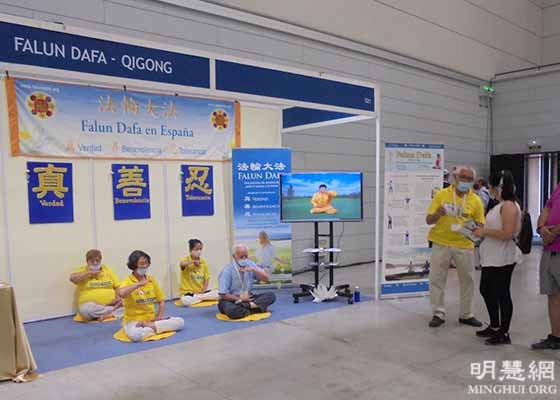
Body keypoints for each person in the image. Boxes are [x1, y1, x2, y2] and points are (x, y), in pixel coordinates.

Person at [425, 166, 485, 328]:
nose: (465, 181)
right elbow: (428, 220)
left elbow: (480, 224)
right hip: (441, 242)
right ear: (455, 178)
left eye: (469, 179)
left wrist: (473, 228)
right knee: (436, 279)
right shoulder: (441, 195)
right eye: (463, 177)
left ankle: (466, 314)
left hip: (464, 244)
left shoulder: (476, 200)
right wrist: (438, 214)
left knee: (468, 280)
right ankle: (438, 313)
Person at [472, 170, 522, 345]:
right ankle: (494, 325)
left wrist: (483, 232)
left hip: (502, 257)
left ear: (497, 187)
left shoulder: (509, 206)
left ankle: (504, 332)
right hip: (492, 256)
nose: (489, 189)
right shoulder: (500, 205)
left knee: (501, 293)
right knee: (486, 289)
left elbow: (507, 233)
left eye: (491, 186)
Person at [118, 250, 184, 342]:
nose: (145, 266)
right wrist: (138, 284)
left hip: (151, 319)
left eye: (147, 263)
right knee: (136, 335)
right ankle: (156, 328)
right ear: (134, 265)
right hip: (134, 321)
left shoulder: (151, 280)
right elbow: (121, 293)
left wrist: (159, 317)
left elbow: (161, 301)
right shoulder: (127, 281)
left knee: (180, 322)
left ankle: (149, 327)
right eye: (141, 263)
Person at [532, 183, 560, 350]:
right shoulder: (558, 187)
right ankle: (556, 337)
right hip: (550, 251)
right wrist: (542, 228)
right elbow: (547, 208)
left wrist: (553, 233)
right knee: (553, 294)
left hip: (555, 244)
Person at [218, 243, 276, 319]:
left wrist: (254, 269)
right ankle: (255, 308)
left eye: (246, 256)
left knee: (271, 296)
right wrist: (240, 299)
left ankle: (246, 308)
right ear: (234, 256)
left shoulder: (250, 264)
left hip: (248, 298)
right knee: (230, 310)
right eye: (241, 256)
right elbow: (223, 294)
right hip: (232, 299)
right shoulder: (227, 270)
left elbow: (266, 279)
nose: (244, 258)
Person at [69, 249, 122, 321]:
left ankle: (109, 313)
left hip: (111, 304)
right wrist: (88, 273)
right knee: (85, 310)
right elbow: (72, 278)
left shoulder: (107, 270)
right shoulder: (83, 270)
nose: (95, 263)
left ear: (100, 260)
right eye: (92, 261)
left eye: (97, 260)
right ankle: (114, 311)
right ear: (87, 261)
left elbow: (117, 286)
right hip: (91, 307)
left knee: (130, 303)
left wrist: (117, 298)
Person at [179, 239, 219, 306]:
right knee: (185, 300)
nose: (199, 251)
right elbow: (182, 264)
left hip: (200, 292)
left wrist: (203, 291)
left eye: (200, 249)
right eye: (197, 249)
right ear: (191, 250)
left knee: (219, 293)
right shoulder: (186, 259)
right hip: (189, 293)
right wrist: (193, 261)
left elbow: (206, 279)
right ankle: (201, 298)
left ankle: (199, 297)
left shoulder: (203, 262)